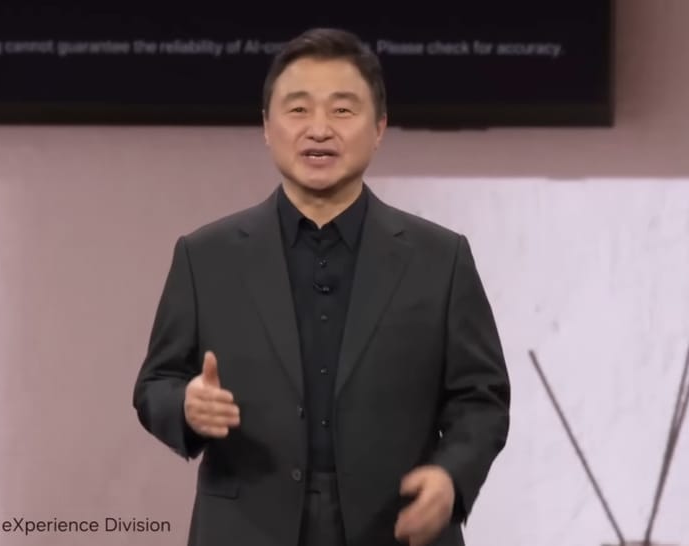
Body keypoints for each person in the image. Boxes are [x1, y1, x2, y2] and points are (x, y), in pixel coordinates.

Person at [132, 27, 511, 546]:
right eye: (297, 109)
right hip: (245, 530)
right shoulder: (206, 256)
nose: (318, 129)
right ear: (267, 127)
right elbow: (155, 384)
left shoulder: (440, 258)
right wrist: (186, 405)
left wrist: (451, 478)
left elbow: (481, 398)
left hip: (395, 528)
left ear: (379, 128)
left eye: (342, 110)